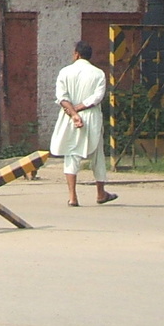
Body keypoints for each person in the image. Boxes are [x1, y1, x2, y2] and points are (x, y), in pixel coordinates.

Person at [49, 41, 118, 206]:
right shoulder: (98, 73)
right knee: (97, 155)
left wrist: (73, 113)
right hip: (91, 116)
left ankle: (73, 197)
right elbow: (97, 97)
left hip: (69, 116)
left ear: (76, 54)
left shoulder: (65, 72)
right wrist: (79, 109)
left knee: (71, 154)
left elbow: (61, 97)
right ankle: (101, 193)